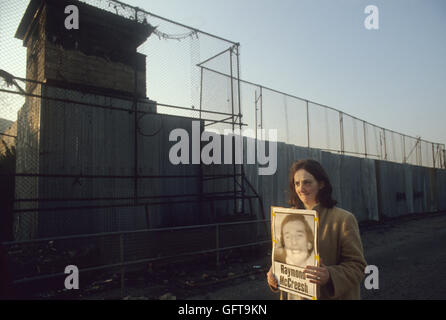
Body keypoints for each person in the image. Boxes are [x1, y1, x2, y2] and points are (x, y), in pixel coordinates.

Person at [267, 159, 367, 300]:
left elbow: (358, 266)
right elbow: (284, 258)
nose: (301, 188)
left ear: (321, 184)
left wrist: (330, 275)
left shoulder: (343, 220)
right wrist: (274, 275)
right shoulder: (286, 218)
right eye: (297, 183)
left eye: (307, 182)